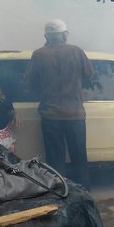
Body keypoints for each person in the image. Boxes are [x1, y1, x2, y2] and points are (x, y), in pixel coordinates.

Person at [26, 19, 94, 188]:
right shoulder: (76, 51)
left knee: (55, 158)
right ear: (65, 35)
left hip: (51, 115)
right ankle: (83, 192)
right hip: (75, 114)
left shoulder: (39, 54)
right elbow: (90, 75)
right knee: (79, 157)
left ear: (46, 36)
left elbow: (30, 83)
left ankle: (60, 193)